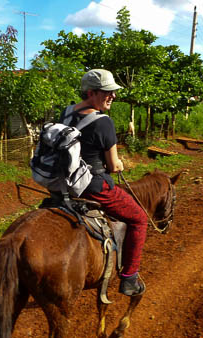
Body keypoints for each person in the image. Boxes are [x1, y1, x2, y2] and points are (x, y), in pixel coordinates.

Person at [62, 69, 148, 297]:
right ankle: (129, 277)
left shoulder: (65, 113)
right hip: (94, 187)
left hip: (63, 186)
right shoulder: (103, 123)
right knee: (139, 218)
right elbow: (112, 165)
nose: (113, 96)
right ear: (91, 92)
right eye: (107, 92)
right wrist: (119, 165)